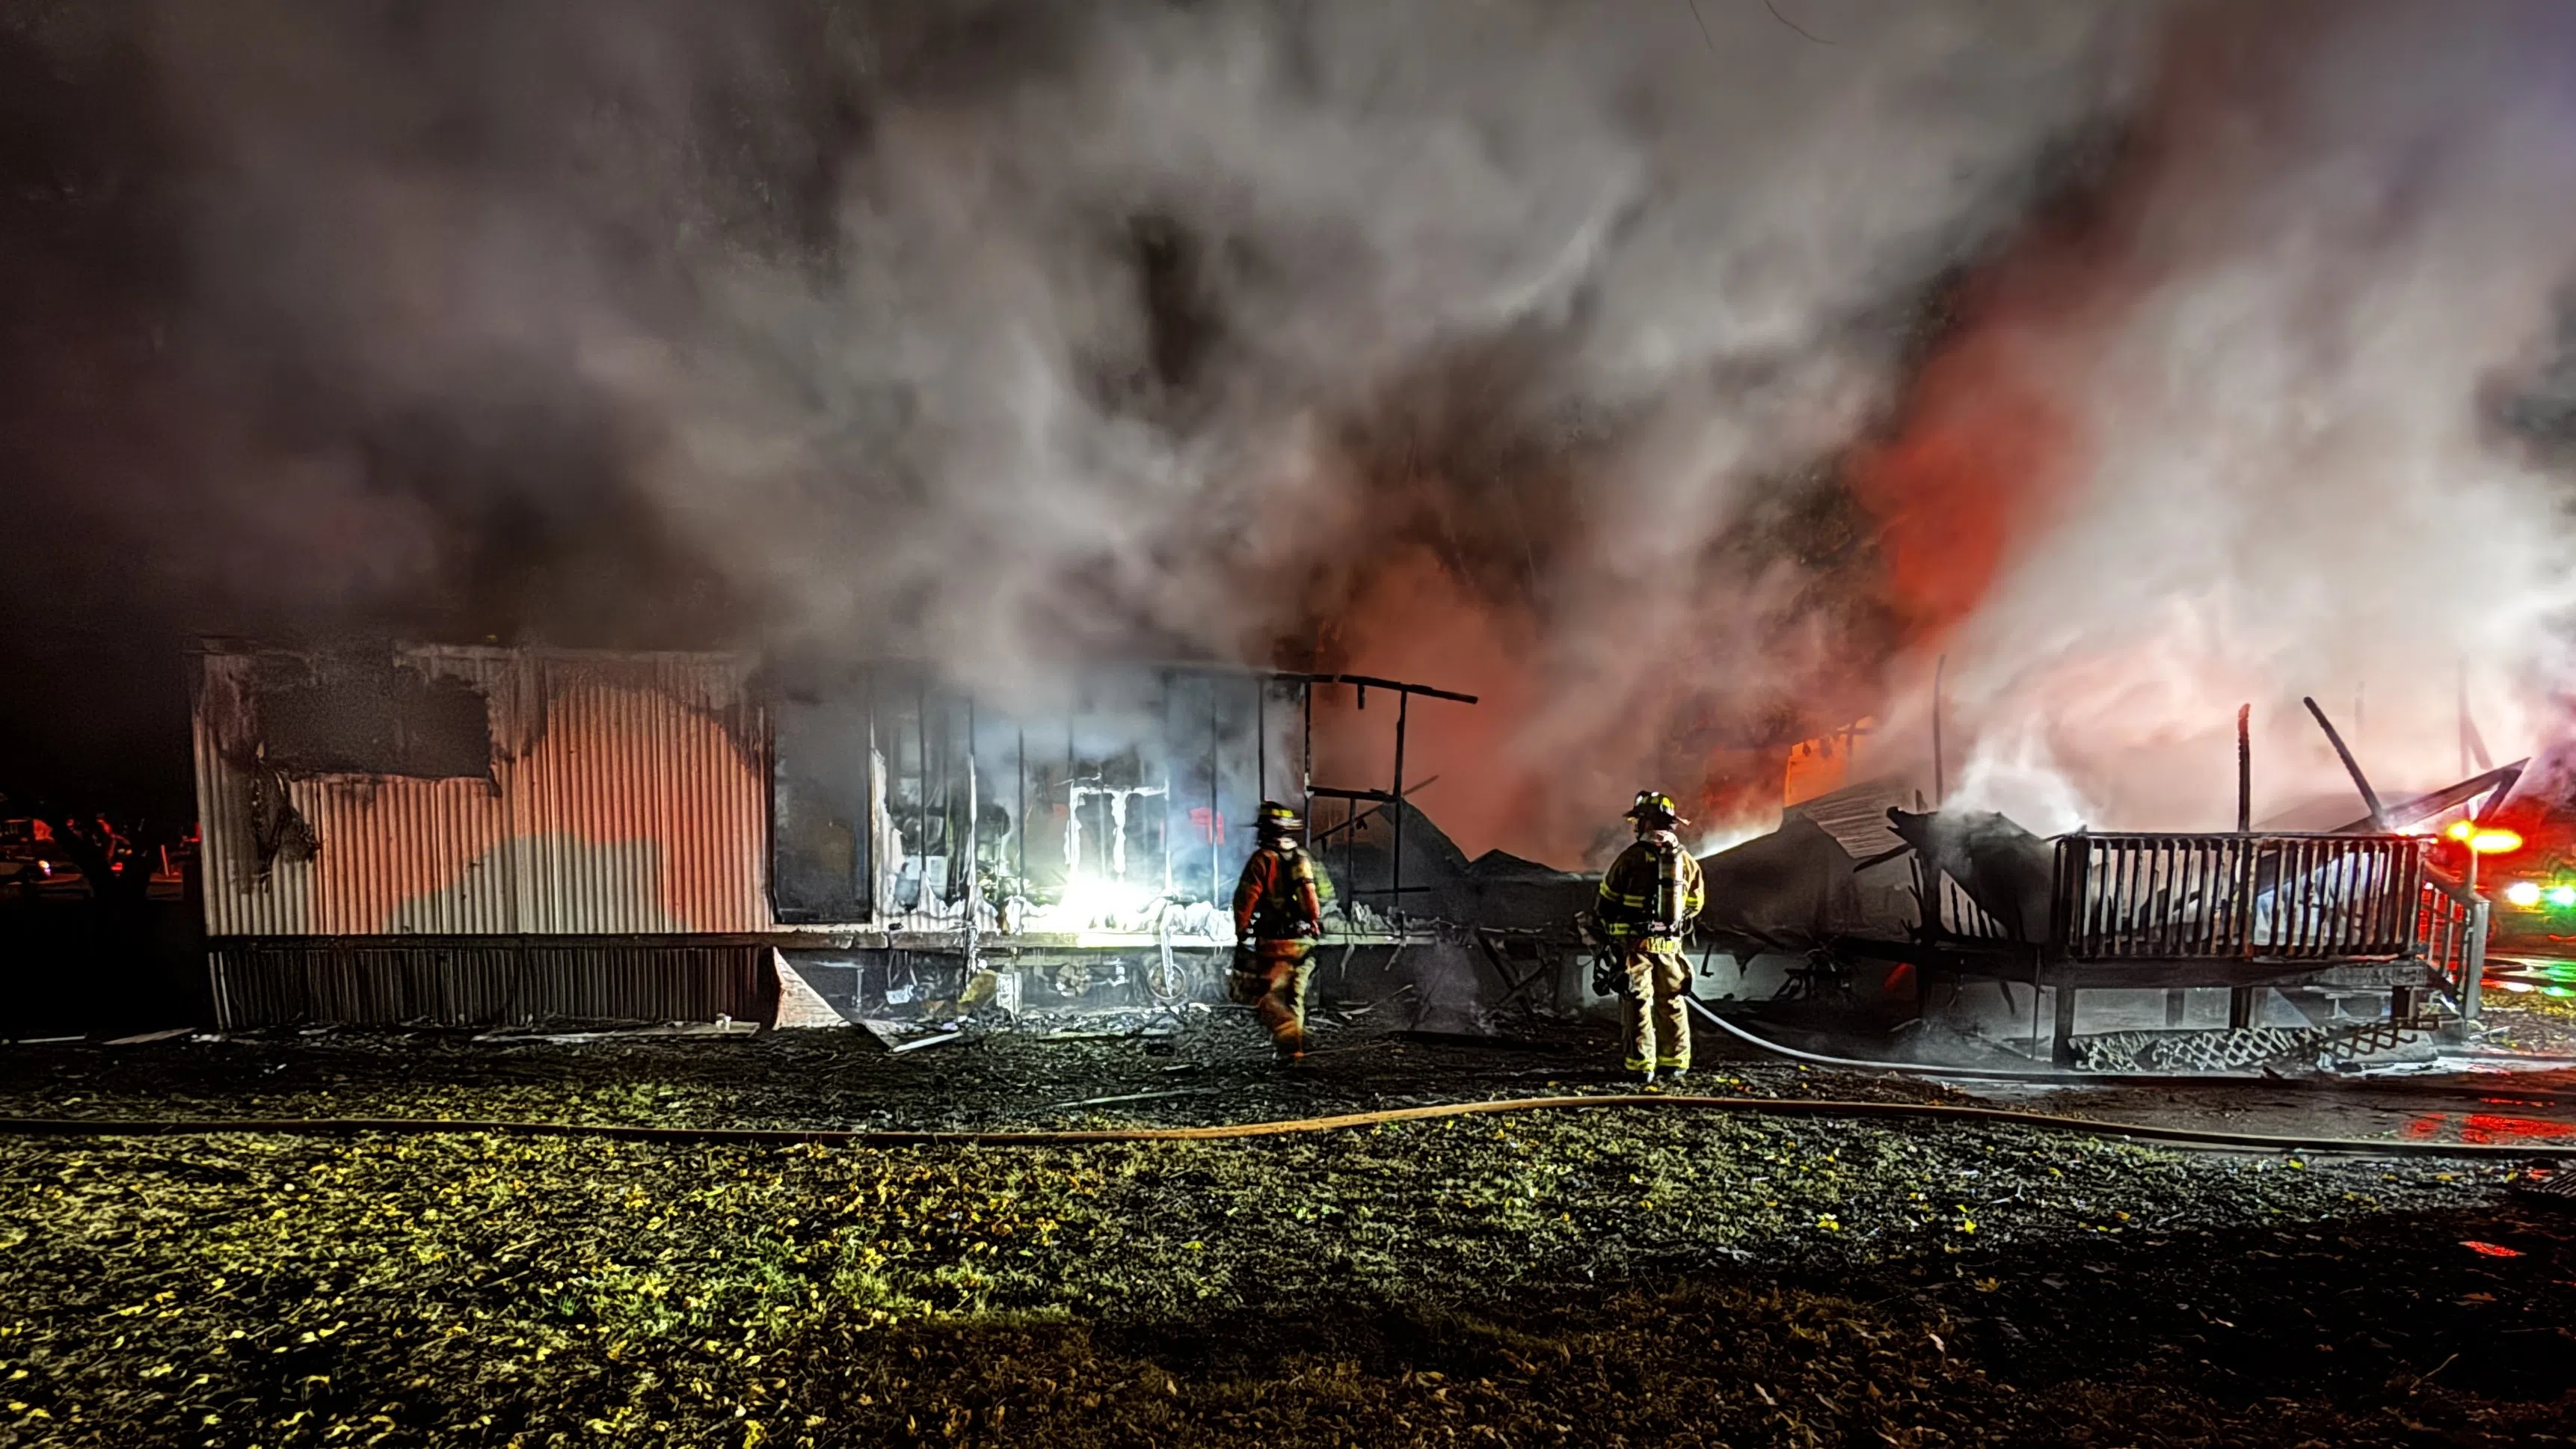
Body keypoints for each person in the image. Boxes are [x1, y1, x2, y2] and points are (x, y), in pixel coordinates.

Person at [1595, 790, 1706, 1084]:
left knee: (1638, 1002)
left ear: (1644, 823)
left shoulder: (1630, 859)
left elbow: (1605, 903)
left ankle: (1641, 1066)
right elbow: (1696, 904)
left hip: (1635, 946)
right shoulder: (1687, 861)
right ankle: (1676, 1063)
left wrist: (1611, 931)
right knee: (1672, 1002)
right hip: (1670, 947)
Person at [1231, 801, 1324, 1058]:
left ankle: (1291, 1046)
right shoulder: (1301, 858)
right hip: (1304, 943)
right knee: (1294, 998)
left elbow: (1244, 901)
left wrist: (1242, 934)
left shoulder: (1262, 860)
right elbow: (1313, 907)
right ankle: (1295, 1053)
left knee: (1267, 1000)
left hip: (1276, 943)